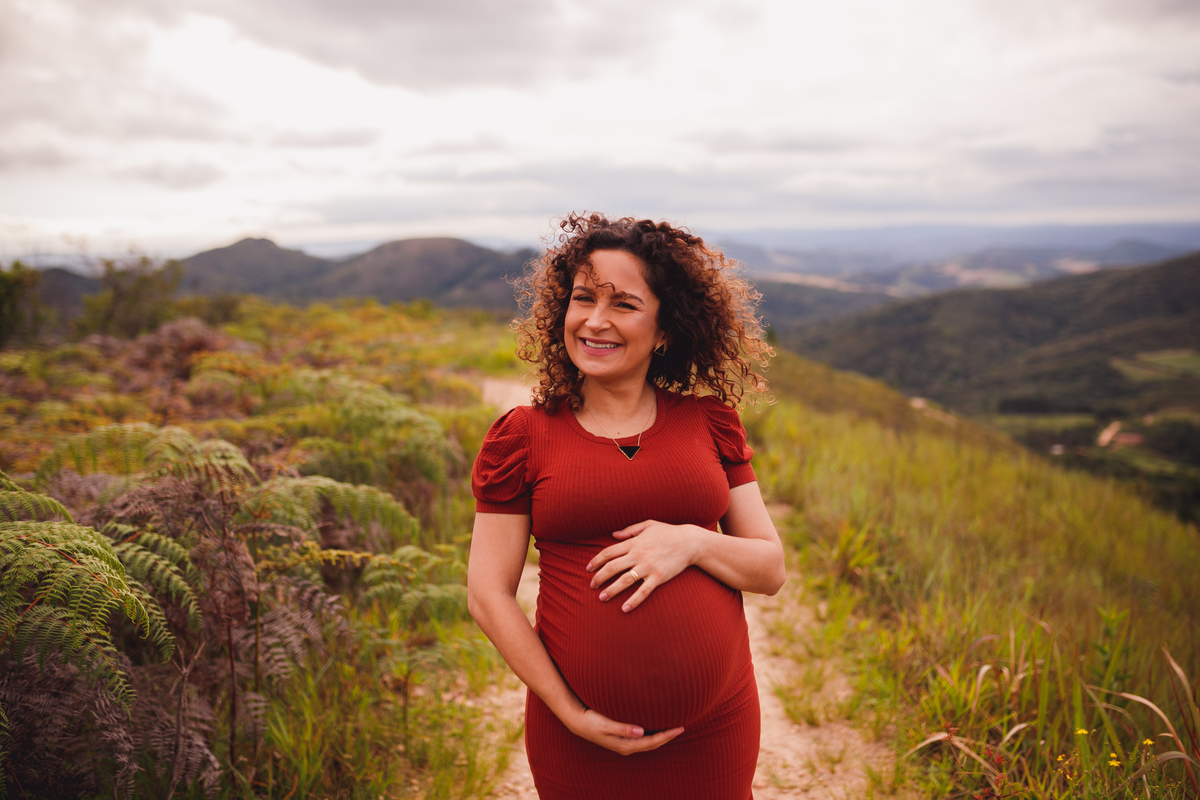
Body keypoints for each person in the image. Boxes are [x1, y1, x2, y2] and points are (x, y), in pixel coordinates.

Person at [467, 213, 785, 800]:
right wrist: (569, 712)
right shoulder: (523, 436)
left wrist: (693, 541)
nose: (595, 320)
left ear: (665, 329)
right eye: (583, 298)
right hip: (578, 740)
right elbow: (487, 594)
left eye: (625, 305)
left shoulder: (708, 423)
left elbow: (769, 570)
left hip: (713, 730)